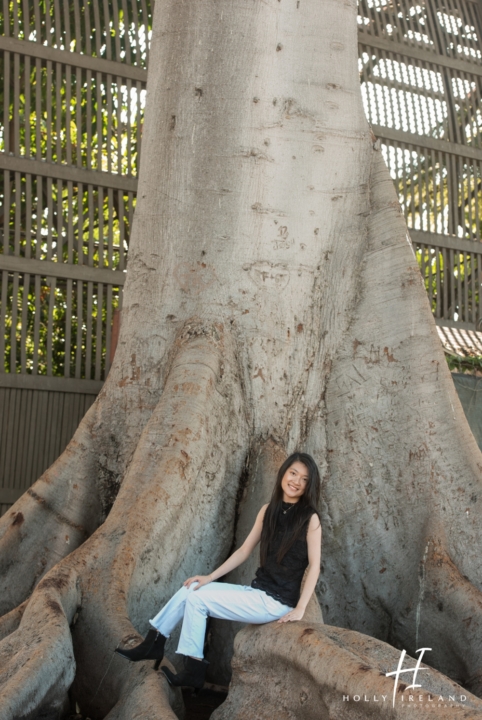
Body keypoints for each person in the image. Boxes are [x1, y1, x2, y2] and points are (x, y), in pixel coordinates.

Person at [115, 452, 322, 690]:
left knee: (198, 598)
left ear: (309, 485)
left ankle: (193, 670)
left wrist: (300, 609)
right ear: (283, 473)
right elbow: (244, 550)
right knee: (193, 587)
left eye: (304, 479)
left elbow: (315, 565)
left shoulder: (310, 519)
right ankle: (155, 641)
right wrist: (209, 577)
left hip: (275, 603)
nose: (296, 481)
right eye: (293, 473)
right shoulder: (268, 510)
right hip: (256, 593)